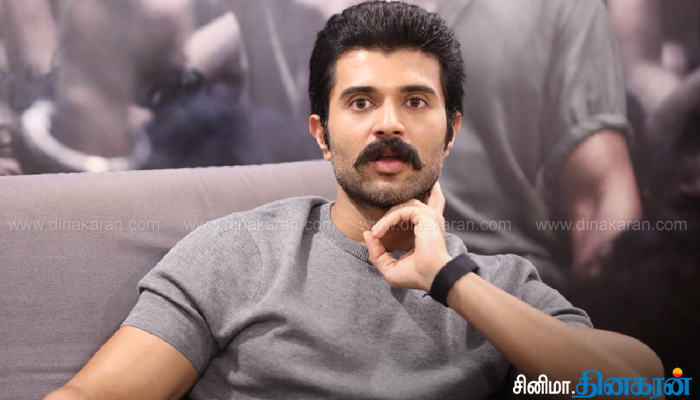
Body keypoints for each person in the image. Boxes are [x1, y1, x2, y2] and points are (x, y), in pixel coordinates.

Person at [44, 3, 661, 399]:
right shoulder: (237, 253)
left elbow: (644, 385)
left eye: (415, 101)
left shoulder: (497, 286)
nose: (388, 123)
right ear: (321, 133)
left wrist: (448, 279)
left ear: (451, 132)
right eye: (361, 102)